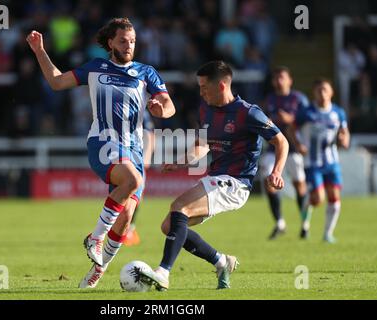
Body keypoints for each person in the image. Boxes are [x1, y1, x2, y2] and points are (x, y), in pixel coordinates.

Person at [26, 17, 176, 288]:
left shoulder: (146, 72)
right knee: (133, 181)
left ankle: (98, 269)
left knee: (127, 215)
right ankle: (95, 238)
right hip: (103, 142)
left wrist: (159, 108)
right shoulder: (96, 68)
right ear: (111, 43)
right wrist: (40, 51)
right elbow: (57, 82)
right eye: (123, 41)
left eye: (132, 41)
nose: (129, 46)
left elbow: (169, 106)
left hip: (134, 150)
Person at [139, 61, 289, 290]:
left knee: (179, 206)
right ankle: (222, 261)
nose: (201, 92)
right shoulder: (205, 109)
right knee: (169, 226)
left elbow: (281, 141)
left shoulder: (248, 113)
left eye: (204, 87)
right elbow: (202, 146)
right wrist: (180, 163)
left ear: (221, 85)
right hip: (216, 178)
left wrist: (277, 172)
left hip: (236, 184)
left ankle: (163, 272)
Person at [289, 78, 350, 243]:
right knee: (318, 198)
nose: (322, 93)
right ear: (314, 93)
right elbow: (292, 128)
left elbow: (344, 132)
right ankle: (307, 210)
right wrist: (299, 144)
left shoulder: (338, 112)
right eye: (318, 90)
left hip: (332, 162)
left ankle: (327, 234)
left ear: (331, 92)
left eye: (325, 90)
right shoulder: (306, 112)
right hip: (312, 162)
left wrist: (345, 140)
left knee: (335, 197)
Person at [260, 66, 310, 239]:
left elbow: (310, 121)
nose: (279, 80)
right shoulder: (270, 100)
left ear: (290, 80)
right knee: (268, 181)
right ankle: (280, 222)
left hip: (294, 148)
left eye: (282, 77)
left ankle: (305, 224)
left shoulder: (299, 99)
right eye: (276, 78)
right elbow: (261, 121)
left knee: (300, 186)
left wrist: (292, 120)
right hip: (273, 149)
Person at [124, 111, 155, 246]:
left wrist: (147, 156)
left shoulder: (140, 111)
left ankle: (129, 228)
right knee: (123, 193)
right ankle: (122, 229)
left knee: (137, 196)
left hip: (136, 157)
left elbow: (149, 134)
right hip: (120, 154)